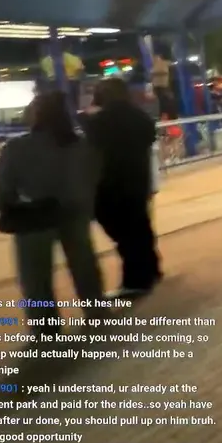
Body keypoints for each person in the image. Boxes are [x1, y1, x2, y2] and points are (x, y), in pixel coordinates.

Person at [0, 91, 105, 333]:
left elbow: (5, 185)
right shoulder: (81, 145)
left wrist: (7, 208)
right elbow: (94, 176)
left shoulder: (17, 147)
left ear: (36, 114)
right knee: (84, 265)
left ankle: (46, 327)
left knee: (36, 276)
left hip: (35, 216)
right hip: (75, 212)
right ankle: (96, 310)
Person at [81, 78, 161, 299]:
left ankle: (136, 280)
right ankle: (151, 270)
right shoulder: (140, 116)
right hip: (138, 179)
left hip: (111, 183)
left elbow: (91, 146)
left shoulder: (99, 121)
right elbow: (150, 138)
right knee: (139, 226)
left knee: (124, 233)